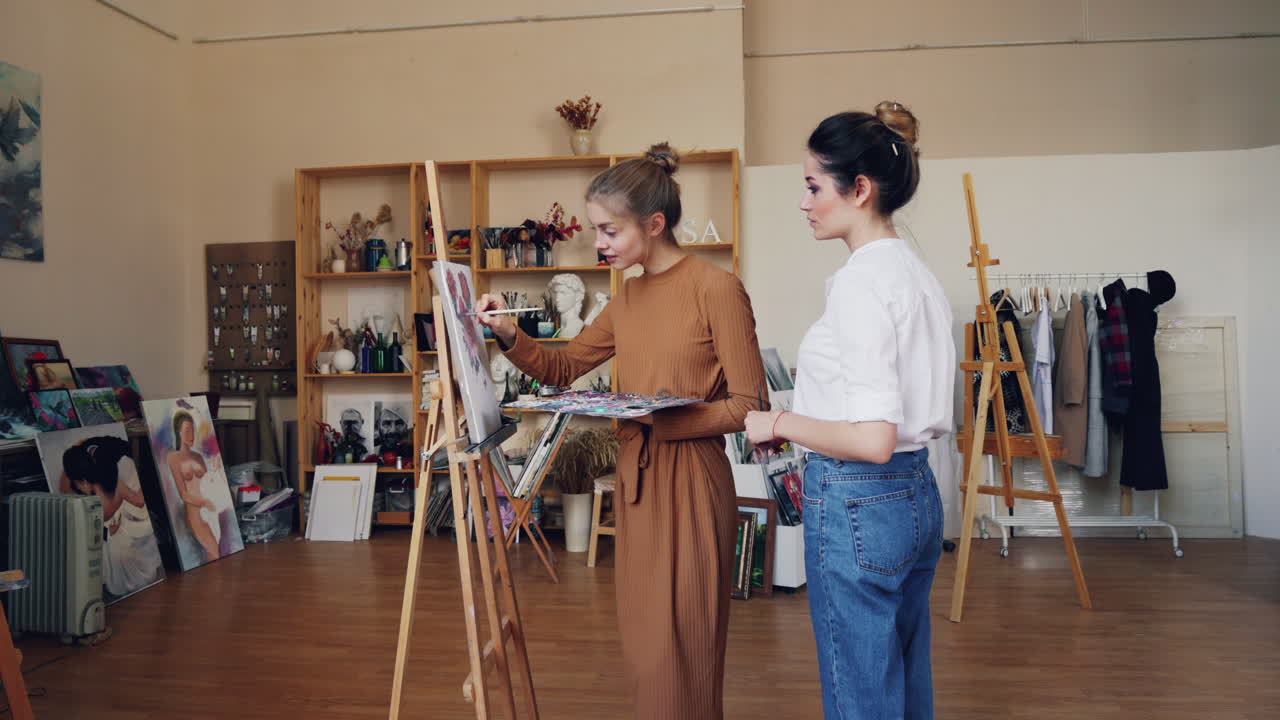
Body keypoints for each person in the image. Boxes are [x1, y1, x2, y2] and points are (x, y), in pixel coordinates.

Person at [475, 143, 769, 720]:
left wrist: (660, 419)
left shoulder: (717, 289)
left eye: (609, 230)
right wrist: (509, 334)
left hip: (692, 483)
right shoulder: (626, 298)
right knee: (646, 649)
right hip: (636, 485)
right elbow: (562, 370)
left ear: (654, 224)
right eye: (595, 230)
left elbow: (749, 405)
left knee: (684, 644)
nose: (599, 244)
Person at [744, 101, 955, 720]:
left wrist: (776, 423)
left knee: (860, 694)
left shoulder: (863, 282)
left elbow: (872, 439)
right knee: (905, 678)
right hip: (916, 494)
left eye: (813, 186)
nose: (804, 202)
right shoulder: (916, 273)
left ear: (859, 189)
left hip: (861, 496)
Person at [63, 436, 163, 599]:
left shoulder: (108, 488)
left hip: (112, 536)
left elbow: (138, 502)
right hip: (109, 535)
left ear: (83, 480)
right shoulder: (114, 485)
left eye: (79, 482)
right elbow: (138, 501)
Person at [167, 410, 221, 561]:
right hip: (195, 514)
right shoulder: (173, 458)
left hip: (210, 510)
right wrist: (204, 502)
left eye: (193, 430)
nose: (191, 435)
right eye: (187, 431)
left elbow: (208, 482)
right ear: (178, 432)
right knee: (214, 552)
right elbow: (183, 494)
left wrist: (216, 470)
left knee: (218, 551)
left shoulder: (198, 456)